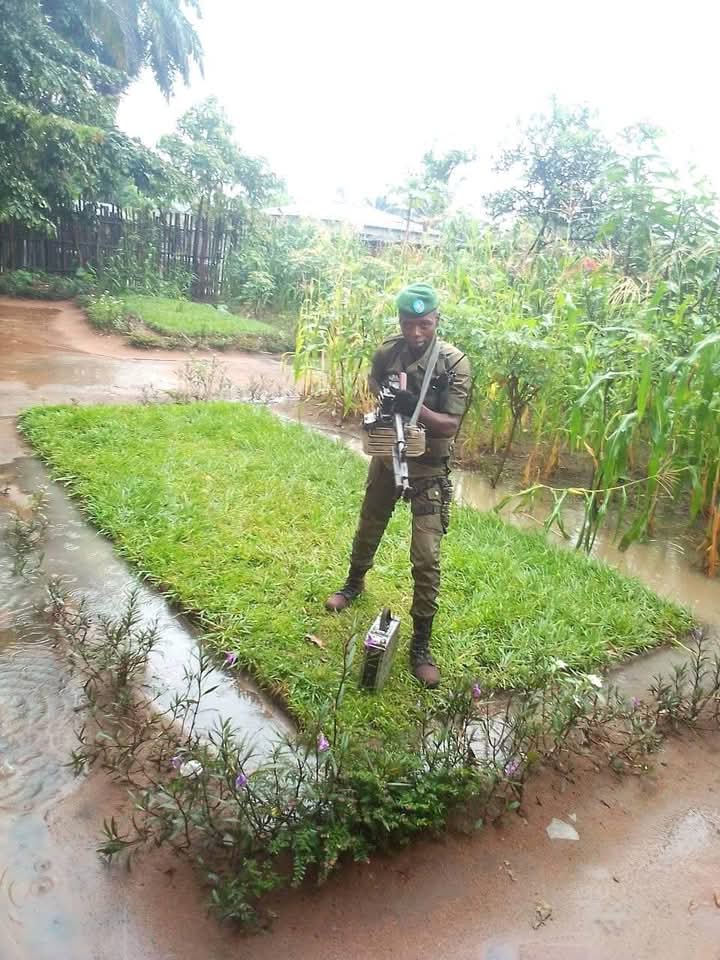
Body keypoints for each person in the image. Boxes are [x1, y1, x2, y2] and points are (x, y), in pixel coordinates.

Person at [325, 282, 472, 688]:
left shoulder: (454, 364)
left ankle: (421, 643)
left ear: (437, 320)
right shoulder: (388, 352)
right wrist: (388, 401)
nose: (416, 332)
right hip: (388, 455)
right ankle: (353, 584)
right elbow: (375, 381)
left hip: (429, 468)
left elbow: (450, 425)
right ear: (400, 321)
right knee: (369, 524)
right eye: (408, 323)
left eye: (424, 324)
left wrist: (415, 408)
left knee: (425, 555)